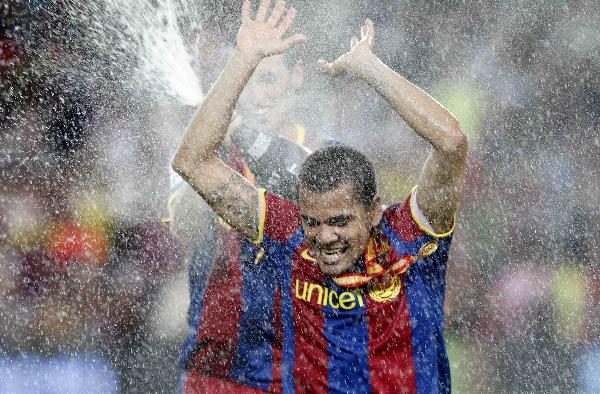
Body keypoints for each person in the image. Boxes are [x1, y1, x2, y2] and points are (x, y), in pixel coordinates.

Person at [172, 0, 468, 392]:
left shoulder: (409, 238)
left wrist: (368, 67)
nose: (325, 237)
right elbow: (191, 161)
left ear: (374, 210)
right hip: (225, 367)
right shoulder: (291, 236)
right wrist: (244, 57)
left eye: (341, 221)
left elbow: (451, 143)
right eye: (314, 222)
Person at [167, 18, 314, 393]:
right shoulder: (197, 151)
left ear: (297, 76)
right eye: (247, 80)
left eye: (268, 80)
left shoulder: (321, 153)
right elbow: (185, 225)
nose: (255, 95)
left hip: (301, 375)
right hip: (215, 375)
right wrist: (210, 151)